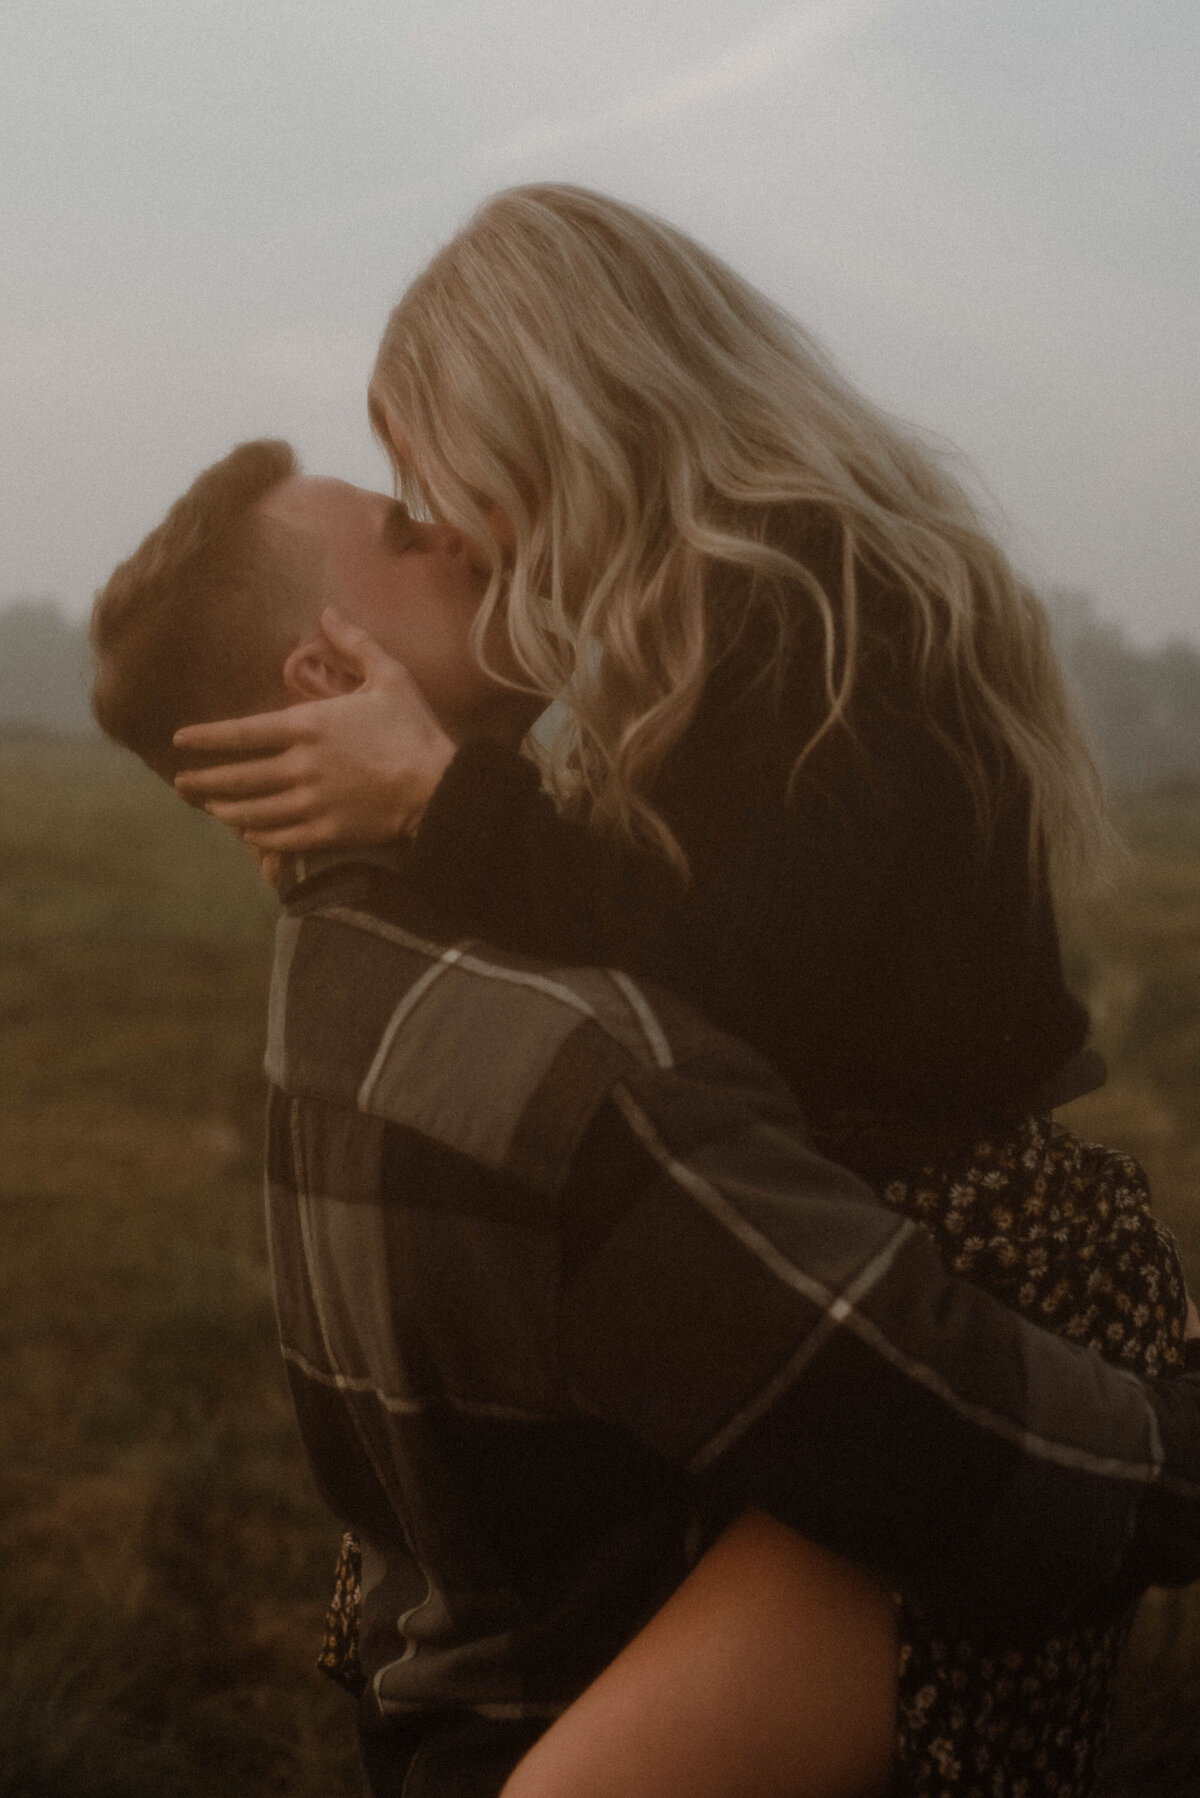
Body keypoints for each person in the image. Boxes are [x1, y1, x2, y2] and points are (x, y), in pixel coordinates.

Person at [167, 189, 1193, 1792]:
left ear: (563, 413)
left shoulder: (825, 608)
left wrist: (444, 803)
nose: (459, 525)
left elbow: (709, 1004)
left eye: (455, 478)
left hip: (967, 1302)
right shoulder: (726, 629)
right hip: (837, 1282)